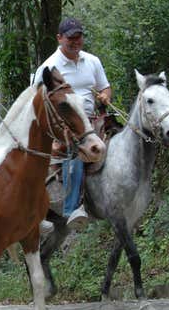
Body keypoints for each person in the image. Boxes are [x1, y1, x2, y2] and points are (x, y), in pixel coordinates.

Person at [32, 17, 112, 231]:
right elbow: (36, 103)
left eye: (79, 37)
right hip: (64, 124)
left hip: (92, 118)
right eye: (70, 38)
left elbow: (105, 87)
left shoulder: (92, 61)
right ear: (59, 39)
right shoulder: (48, 68)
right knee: (74, 152)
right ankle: (71, 209)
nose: (76, 42)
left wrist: (104, 96)